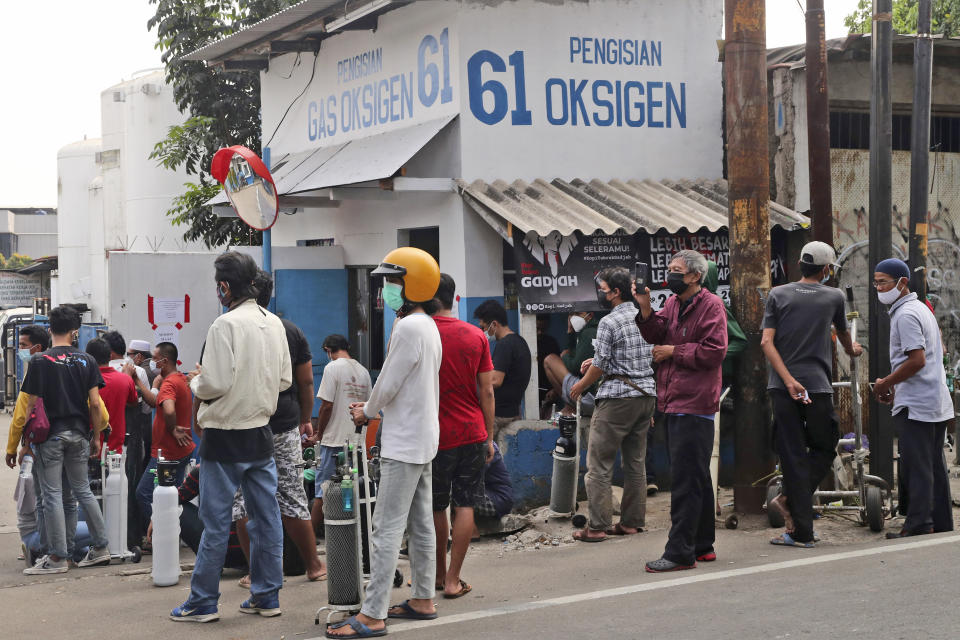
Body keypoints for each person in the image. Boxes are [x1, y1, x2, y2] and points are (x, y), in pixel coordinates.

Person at [171, 251, 291, 623]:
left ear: (224, 287)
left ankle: (203, 601)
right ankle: (266, 595)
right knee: (267, 517)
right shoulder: (274, 323)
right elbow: (284, 379)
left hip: (224, 436)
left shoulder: (224, 325)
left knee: (216, 523)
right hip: (260, 433)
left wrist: (195, 380)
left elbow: (216, 382)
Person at [329, 247, 442, 638]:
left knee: (386, 528)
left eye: (393, 282)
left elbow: (388, 383)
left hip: (404, 442)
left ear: (412, 284)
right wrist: (375, 405)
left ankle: (373, 613)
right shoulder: (429, 325)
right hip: (423, 437)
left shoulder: (408, 327)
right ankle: (423, 597)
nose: (386, 291)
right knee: (420, 522)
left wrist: (366, 411)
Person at [760, 241, 861, 548]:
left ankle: (797, 520)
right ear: (827, 269)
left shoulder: (777, 294)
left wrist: (788, 380)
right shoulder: (834, 296)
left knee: (791, 454)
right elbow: (844, 335)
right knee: (825, 445)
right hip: (816, 386)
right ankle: (795, 512)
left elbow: (766, 343)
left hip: (781, 387)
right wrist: (851, 349)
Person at [635, 250, 728, 572]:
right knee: (698, 477)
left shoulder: (712, 305)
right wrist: (646, 306)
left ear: (694, 276)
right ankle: (703, 545)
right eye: (670, 269)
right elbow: (656, 331)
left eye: (676, 270)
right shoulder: (674, 303)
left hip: (695, 402)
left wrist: (675, 352)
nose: (670, 275)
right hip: (673, 399)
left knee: (686, 480)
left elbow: (715, 351)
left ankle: (679, 552)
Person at [233, 269, 326, 584]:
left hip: (244, 426)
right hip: (284, 424)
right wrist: (305, 420)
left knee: (243, 499)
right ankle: (314, 565)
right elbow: (306, 382)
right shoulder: (290, 330)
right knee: (292, 494)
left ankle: (255, 571)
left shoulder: (228, 328)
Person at [20, 305, 110, 575]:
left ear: (50, 329)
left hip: (51, 437)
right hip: (80, 433)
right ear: (75, 332)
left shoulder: (39, 361)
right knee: (82, 491)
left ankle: (58, 558)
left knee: (52, 495)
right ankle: (101, 548)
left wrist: (26, 443)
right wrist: (96, 437)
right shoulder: (87, 361)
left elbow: (31, 407)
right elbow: (95, 404)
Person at [569, 267, 656, 542]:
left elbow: (602, 364)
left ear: (616, 293)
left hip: (617, 399)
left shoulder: (609, 322)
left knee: (599, 465)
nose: (600, 294)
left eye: (603, 289)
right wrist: (594, 363)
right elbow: (623, 357)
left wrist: (580, 386)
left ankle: (596, 527)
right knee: (635, 464)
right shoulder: (646, 317)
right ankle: (631, 523)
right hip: (645, 397)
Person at [871, 258, 954, 538]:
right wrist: (898, 385)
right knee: (932, 463)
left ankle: (919, 524)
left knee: (917, 466)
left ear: (902, 282)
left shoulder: (906, 314)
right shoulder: (921, 309)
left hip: (918, 402)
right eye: (876, 281)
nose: (878, 287)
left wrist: (886, 382)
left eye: (883, 281)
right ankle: (941, 522)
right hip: (933, 398)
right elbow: (936, 352)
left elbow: (917, 360)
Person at [431, 273, 495, 598]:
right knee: (465, 503)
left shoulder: (420, 333)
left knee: (436, 505)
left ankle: (440, 574)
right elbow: (486, 390)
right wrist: (489, 436)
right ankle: (454, 580)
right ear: (455, 299)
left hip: (434, 435)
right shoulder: (476, 335)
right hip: (471, 431)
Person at [310, 333, 371, 538]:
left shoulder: (332, 368)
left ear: (328, 350)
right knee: (350, 490)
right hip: (356, 443)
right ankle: (348, 534)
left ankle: (308, 541)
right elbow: (369, 409)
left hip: (333, 440)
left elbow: (326, 405)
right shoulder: (363, 372)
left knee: (323, 492)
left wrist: (319, 433)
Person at [136, 342, 195, 531]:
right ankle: (174, 532)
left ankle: (164, 531)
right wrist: (153, 386)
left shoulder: (169, 383)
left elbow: (168, 409)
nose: (152, 362)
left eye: (154, 358)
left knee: (144, 494)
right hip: (178, 451)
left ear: (164, 361)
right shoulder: (178, 379)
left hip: (167, 454)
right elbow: (156, 402)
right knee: (173, 496)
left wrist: (172, 429)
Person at [473, 300, 531, 437]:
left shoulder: (505, 345)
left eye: (483, 328)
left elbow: (495, 380)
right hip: (512, 411)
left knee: (484, 453)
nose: (482, 332)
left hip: (499, 414)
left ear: (494, 324)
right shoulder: (519, 341)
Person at [4, 325, 50, 468]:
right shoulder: (61, 366)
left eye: (24, 345)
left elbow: (20, 417)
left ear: (37, 348)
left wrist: (12, 448)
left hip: (40, 440)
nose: (20, 350)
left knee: (43, 489)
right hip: (69, 438)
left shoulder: (32, 374)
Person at [85, 338, 138, 454]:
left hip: (88, 446)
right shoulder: (125, 379)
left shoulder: (83, 381)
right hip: (116, 449)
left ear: (88, 357)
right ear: (110, 356)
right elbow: (134, 402)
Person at [543, 311, 599, 415]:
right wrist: (570, 332)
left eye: (578, 314)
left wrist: (564, 356)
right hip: (593, 397)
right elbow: (574, 354)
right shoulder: (586, 332)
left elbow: (575, 367)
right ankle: (570, 407)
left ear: (590, 315)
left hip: (589, 396)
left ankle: (570, 407)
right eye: (571, 315)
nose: (573, 318)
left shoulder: (589, 333)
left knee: (550, 360)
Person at [474, 442, 514, 523]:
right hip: (489, 494)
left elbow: (473, 476)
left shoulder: (486, 447)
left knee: (458, 493)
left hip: (499, 500)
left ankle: (470, 530)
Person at [535, 315, 561, 409]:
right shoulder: (524, 343)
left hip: (549, 392)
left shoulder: (551, 343)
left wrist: (555, 390)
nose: (540, 332)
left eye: (543, 329)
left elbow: (559, 369)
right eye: (537, 328)